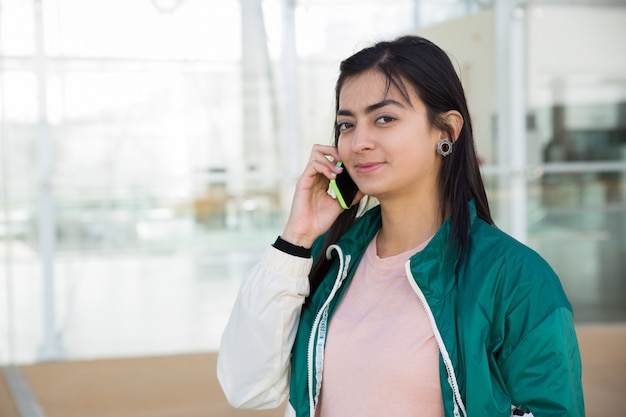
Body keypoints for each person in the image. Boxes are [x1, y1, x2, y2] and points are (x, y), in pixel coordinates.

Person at [217, 35, 584, 417]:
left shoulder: (517, 279)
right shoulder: (332, 257)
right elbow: (247, 387)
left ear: (446, 131)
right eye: (346, 125)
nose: (359, 142)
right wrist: (296, 239)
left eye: (384, 118)